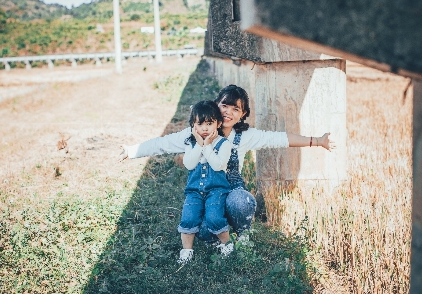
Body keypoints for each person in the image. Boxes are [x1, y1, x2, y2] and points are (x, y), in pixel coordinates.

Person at [119, 84, 336, 245]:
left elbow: (280, 138)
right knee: (205, 235)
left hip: (231, 192)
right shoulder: (194, 133)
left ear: (243, 115)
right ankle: (218, 232)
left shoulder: (245, 136)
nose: (228, 112)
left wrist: (317, 141)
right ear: (216, 105)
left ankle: (242, 234)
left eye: (235, 109)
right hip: (205, 195)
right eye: (224, 105)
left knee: (242, 202)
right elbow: (162, 144)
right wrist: (131, 151)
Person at [176, 100, 233, 263]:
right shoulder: (191, 143)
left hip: (216, 190)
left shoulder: (224, 144)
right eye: (200, 124)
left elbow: (217, 165)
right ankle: (187, 251)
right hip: (194, 191)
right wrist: (199, 144)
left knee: (214, 218)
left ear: (218, 123)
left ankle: (226, 244)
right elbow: (189, 164)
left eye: (209, 123)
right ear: (193, 126)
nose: (205, 128)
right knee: (188, 217)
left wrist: (207, 146)